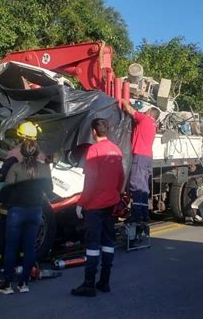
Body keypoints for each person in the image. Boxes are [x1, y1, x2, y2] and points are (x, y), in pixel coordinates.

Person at [0, 140, 53, 294]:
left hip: (17, 212)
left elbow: (5, 191)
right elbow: (49, 189)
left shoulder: (16, 168)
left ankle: (7, 284)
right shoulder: (44, 169)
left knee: (11, 247)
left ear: (22, 152)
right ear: (37, 153)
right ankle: (24, 283)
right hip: (35, 211)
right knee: (29, 247)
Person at [71, 118, 124, 297]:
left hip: (94, 206)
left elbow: (90, 181)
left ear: (94, 132)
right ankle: (104, 282)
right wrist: (116, 196)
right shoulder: (116, 150)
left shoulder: (94, 150)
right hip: (111, 204)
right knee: (108, 243)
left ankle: (88, 285)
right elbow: (120, 177)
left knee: (93, 245)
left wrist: (81, 203)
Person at [121, 100, 160, 224]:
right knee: (143, 188)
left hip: (140, 156)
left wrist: (123, 101)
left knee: (136, 185)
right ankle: (144, 215)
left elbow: (131, 111)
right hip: (147, 158)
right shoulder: (154, 124)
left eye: (146, 110)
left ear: (149, 113)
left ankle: (136, 216)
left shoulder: (145, 119)